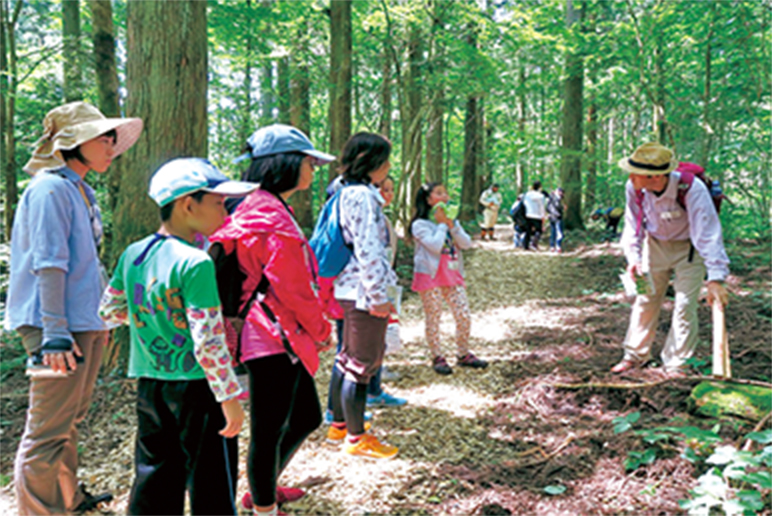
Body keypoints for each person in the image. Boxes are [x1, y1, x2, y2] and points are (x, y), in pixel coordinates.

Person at [5, 101, 142, 515]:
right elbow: (48, 263)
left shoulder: (78, 189)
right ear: (72, 143)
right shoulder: (48, 189)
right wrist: (54, 334)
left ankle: (67, 501)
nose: (111, 145)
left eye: (112, 137)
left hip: (82, 323)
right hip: (54, 328)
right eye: (103, 137)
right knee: (47, 430)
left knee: (69, 423)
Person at [100, 158, 253, 515]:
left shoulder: (133, 254)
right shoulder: (196, 262)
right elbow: (208, 340)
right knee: (211, 478)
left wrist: (153, 322)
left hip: (151, 384)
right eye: (218, 202)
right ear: (188, 204)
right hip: (199, 389)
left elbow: (108, 311)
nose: (225, 211)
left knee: (154, 474)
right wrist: (229, 397)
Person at [211, 124, 335, 515]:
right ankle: (264, 507)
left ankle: (262, 489)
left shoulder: (258, 206)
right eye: (308, 162)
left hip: (275, 333)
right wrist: (321, 329)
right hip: (270, 336)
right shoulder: (270, 215)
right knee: (269, 429)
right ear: (285, 164)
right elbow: (293, 286)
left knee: (305, 416)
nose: (313, 169)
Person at [613, 142, 730, 376]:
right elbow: (632, 224)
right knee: (645, 299)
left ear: (655, 177)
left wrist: (716, 277)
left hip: (689, 249)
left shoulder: (691, 189)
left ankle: (677, 363)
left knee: (685, 304)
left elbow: (707, 233)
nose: (631, 177)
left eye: (637, 173)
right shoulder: (634, 187)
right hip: (653, 246)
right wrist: (633, 257)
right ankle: (635, 355)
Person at [328, 132, 400, 460]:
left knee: (347, 356)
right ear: (371, 163)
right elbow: (369, 248)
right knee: (362, 363)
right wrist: (377, 295)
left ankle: (341, 425)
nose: (388, 166)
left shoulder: (347, 192)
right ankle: (357, 438)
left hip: (350, 287)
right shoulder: (362, 196)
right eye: (384, 160)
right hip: (362, 292)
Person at [411, 182, 488, 376]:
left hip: (452, 276)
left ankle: (463, 353)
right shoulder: (419, 225)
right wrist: (442, 224)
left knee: (463, 315)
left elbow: (467, 244)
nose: (445, 197)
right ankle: (437, 356)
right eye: (439, 193)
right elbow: (435, 245)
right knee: (434, 317)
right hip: (429, 277)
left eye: (445, 193)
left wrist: (452, 225)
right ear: (428, 200)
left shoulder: (452, 222)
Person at [522, 180, 546, 251]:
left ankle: (525, 245)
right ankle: (534, 243)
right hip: (537, 215)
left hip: (528, 214)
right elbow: (542, 206)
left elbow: (524, 203)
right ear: (540, 187)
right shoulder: (541, 196)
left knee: (528, 230)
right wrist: (543, 216)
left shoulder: (527, 195)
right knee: (538, 230)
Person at [546, 187, 566, 253]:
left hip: (552, 217)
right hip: (557, 217)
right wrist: (563, 208)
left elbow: (547, 208)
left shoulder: (550, 198)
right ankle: (558, 246)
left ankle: (552, 246)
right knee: (559, 232)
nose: (561, 193)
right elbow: (557, 206)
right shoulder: (557, 198)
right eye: (561, 192)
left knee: (553, 232)